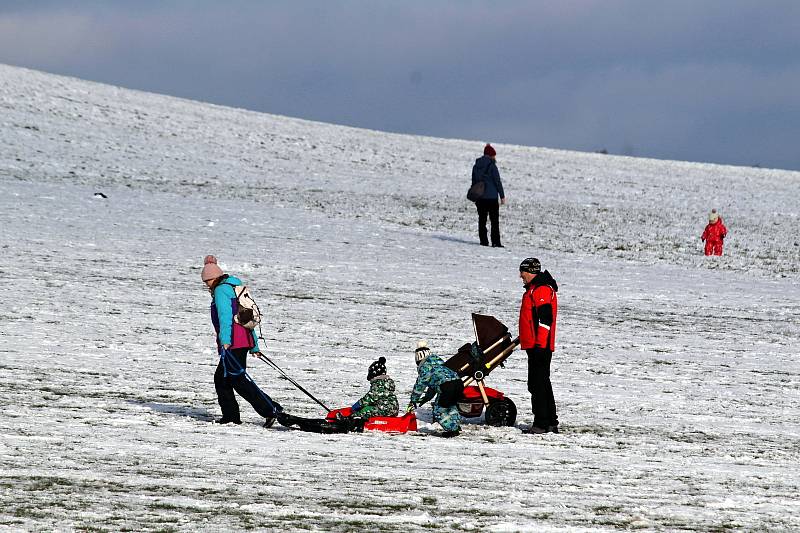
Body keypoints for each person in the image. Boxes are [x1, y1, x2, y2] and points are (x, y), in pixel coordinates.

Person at [201, 255, 282, 427]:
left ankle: (270, 410)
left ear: (212, 279)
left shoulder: (221, 290)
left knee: (235, 379)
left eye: (206, 282)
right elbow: (246, 318)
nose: (206, 285)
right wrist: (253, 345)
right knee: (226, 379)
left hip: (233, 342)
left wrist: (225, 341)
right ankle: (232, 416)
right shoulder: (234, 286)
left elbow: (226, 318)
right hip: (242, 340)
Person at [518, 257, 559, 434]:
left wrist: (540, 345)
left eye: (523, 271)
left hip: (539, 346)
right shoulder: (535, 288)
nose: (520, 276)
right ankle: (550, 421)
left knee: (537, 384)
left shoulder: (541, 289)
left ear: (531, 271)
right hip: (535, 345)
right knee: (541, 383)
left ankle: (541, 424)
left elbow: (545, 319)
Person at [407, 341, 464, 437]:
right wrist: (427, 398)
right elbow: (433, 385)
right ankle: (456, 425)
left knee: (439, 410)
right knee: (450, 406)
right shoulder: (439, 363)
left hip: (447, 387)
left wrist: (413, 400)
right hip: (458, 383)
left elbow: (419, 386)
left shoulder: (425, 368)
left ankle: (452, 430)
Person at [471, 143, 506, 247]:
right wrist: (502, 196)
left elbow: (474, 182)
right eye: (494, 155)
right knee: (494, 222)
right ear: (491, 155)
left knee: (482, 220)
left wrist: (476, 196)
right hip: (492, 198)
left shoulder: (476, 166)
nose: (495, 157)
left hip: (480, 197)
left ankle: (484, 241)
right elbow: (497, 182)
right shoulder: (492, 166)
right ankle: (495, 242)